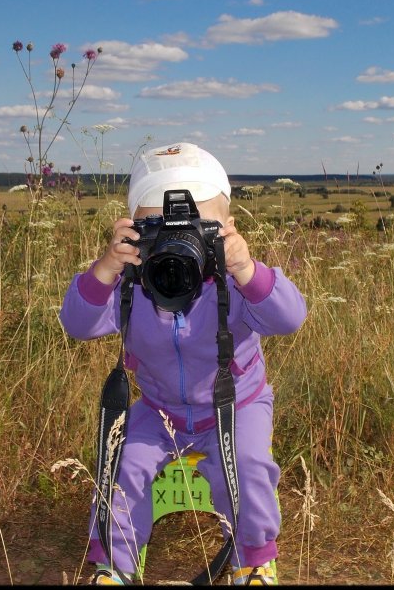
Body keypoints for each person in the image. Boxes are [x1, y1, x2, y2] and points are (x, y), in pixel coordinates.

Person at [60, 143, 307, 585]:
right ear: (133, 231)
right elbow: (77, 323)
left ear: (228, 229)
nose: (178, 243)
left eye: (199, 228)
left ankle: (254, 561)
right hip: (157, 409)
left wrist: (247, 268)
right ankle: (113, 566)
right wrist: (108, 266)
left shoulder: (234, 282)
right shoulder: (132, 283)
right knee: (119, 465)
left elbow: (290, 318)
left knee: (248, 466)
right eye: (157, 229)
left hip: (236, 406)